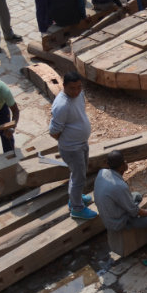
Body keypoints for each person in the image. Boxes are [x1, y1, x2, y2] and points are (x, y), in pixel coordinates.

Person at [94, 150, 147, 247]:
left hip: (109, 213)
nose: (126, 163)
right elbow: (134, 211)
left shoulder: (102, 172)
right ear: (122, 165)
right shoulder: (120, 186)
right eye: (124, 161)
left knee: (137, 195)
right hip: (118, 222)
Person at [49, 72, 98, 220]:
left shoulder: (79, 94)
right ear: (64, 86)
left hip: (81, 144)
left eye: (78, 87)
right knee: (79, 178)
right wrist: (69, 140)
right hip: (72, 148)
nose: (76, 91)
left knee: (78, 175)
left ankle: (74, 199)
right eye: (72, 88)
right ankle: (77, 208)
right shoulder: (61, 105)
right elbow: (54, 132)